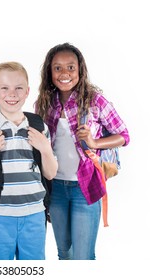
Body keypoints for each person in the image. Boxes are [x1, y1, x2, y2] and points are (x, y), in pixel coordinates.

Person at [35, 42, 130, 260]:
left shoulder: (95, 100)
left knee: (83, 257)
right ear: (50, 72)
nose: (64, 73)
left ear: (80, 70)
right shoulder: (43, 103)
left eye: (71, 67)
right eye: (57, 68)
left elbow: (124, 136)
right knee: (64, 253)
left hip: (85, 187)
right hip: (55, 187)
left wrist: (95, 142)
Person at [0, 62, 57, 260]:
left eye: (19, 88)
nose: (12, 94)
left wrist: (45, 148)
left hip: (34, 215)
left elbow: (50, 173)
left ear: (27, 92)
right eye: (5, 88)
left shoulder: (38, 125)